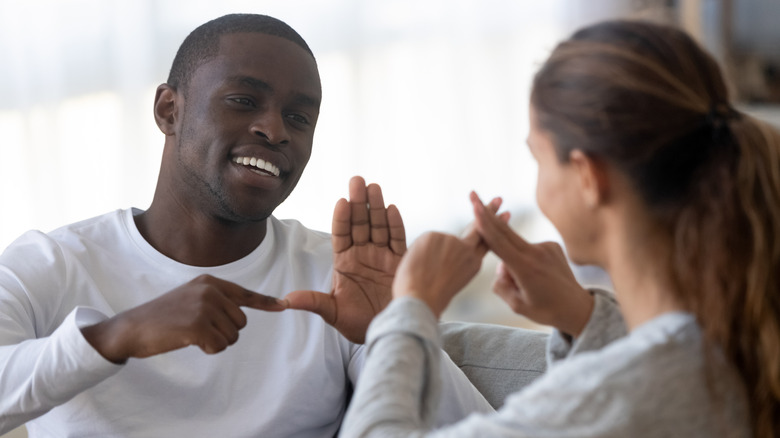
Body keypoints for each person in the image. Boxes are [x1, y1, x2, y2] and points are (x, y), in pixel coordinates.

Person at [0, 13, 494, 437]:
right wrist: (118, 335)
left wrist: (398, 327)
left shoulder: (338, 277)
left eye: (299, 117)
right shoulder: (50, 265)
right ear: (169, 110)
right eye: (242, 100)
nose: (275, 130)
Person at [341, 19, 780, 437]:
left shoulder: (630, 391)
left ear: (588, 177)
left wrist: (410, 306)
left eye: (538, 158)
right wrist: (583, 317)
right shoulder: (739, 331)